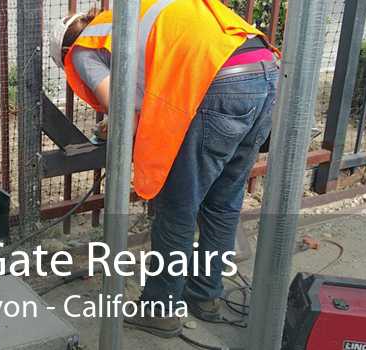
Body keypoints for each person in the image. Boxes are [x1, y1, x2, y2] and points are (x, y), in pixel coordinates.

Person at [49, 0, 280, 339]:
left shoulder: (83, 51)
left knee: (176, 207)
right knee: (223, 202)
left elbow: (122, 106)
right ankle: (205, 296)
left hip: (217, 83)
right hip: (262, 69)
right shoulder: (123, 21)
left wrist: (115, 125)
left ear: (66, 50)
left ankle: (159, 309)